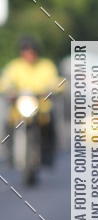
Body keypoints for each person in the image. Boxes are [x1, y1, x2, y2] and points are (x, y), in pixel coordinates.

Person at [0, 36, 63, 165]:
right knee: (8, 125)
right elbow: (5, 82)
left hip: (41, 108)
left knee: (50, 125)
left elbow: (56, 82)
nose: (29, 54)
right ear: (21, 53)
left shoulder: (46, 66)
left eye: (32, 51)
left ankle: (48, 154)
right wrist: (8, 90)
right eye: (26, 51)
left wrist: (52, 89)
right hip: (19, 109)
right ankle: (10, 155)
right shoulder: (15, 67)